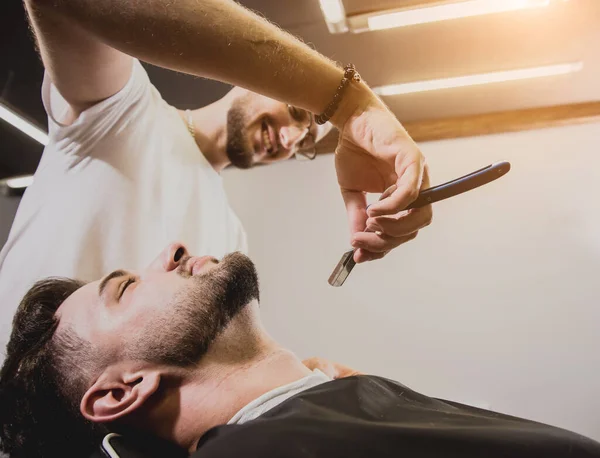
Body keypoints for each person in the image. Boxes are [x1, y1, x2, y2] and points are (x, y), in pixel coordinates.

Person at [0, 0, 433, 355]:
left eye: (303, 144)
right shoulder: (122, 114)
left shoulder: (232, 240)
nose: (287, 140)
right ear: (259, 79)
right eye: (297, 114)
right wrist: (347, 103)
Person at [1, 242, 599, 458]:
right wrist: (352, 107)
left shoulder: (325, 409)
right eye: (126, 288)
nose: (173, 249)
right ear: (119, 391)